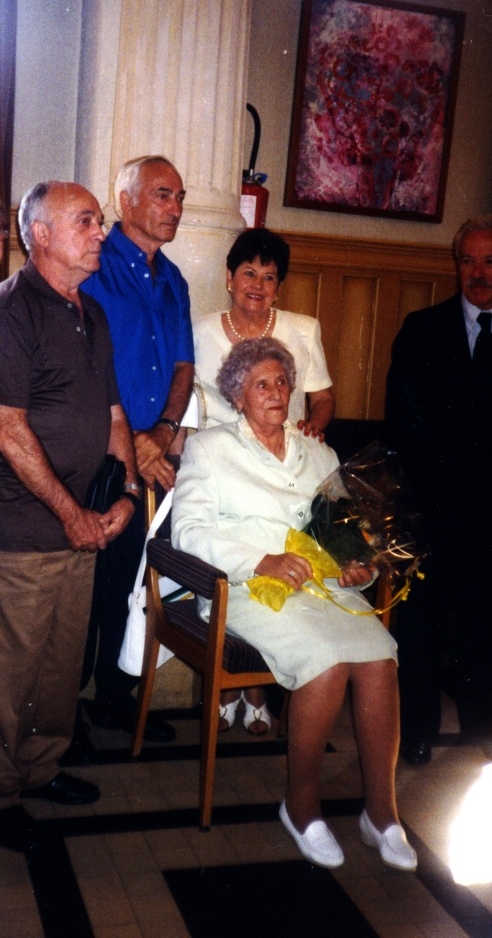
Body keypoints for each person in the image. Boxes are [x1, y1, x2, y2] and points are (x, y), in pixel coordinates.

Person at [172, 338, 416, 870]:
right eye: (261, 384)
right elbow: (187, 532)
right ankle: (301, 806)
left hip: (321, 589)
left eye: (282, 381)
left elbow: (348, 533)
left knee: (380, 658)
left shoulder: (319, 453)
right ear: (238, 396)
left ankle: (382, 813)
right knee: (325, 664)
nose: (275, 392)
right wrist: (261, 560)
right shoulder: (210, 449)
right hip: (245, 589)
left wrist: (361, 566)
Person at [0, 181, 138, 852]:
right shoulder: (12, 310)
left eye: (100, 221)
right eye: (86, 221)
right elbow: (8, 428)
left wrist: (127, 496)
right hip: (25, 531)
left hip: (84, 527)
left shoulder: (94, 314)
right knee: (11, 672)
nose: (100, 233)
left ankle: (41, 767)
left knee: (59, 667)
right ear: (41, 235)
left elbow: (114, 416)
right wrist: (69, 512)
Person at [193, 227, 335, 733]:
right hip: (223, 466)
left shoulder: (303, 328)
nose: (257, 284)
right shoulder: (201, 330)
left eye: (269, 276)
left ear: (279, 286)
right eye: (248, 273)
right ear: (229, 278)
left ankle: (253, 687)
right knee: (241, 558)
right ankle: (238, 686)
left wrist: (315, 424)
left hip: (283, 464)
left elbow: (321, 398)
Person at [80, 155, 194, 740]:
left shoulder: (174, 279)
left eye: (180, 197)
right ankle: (61, 715)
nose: (176, 208)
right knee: (85, 583)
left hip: (153, 453)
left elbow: (184, 367)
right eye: (162, 195)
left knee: (131, 580)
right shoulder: (93, 265)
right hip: (96, 451)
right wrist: (131, 443)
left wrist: (165, 433)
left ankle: (114, 698)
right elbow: (85, 368)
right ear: (125, 201)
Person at [385, 215, 492, 765]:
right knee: (421, 626)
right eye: (468, 260)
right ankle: (417, 731)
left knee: (484, 623)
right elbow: (405, 420)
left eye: (489, 261)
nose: (478, 272)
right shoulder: (422, 328)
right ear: (456, 265)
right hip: (433, 507)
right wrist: (443, 494)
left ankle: (481, 729)